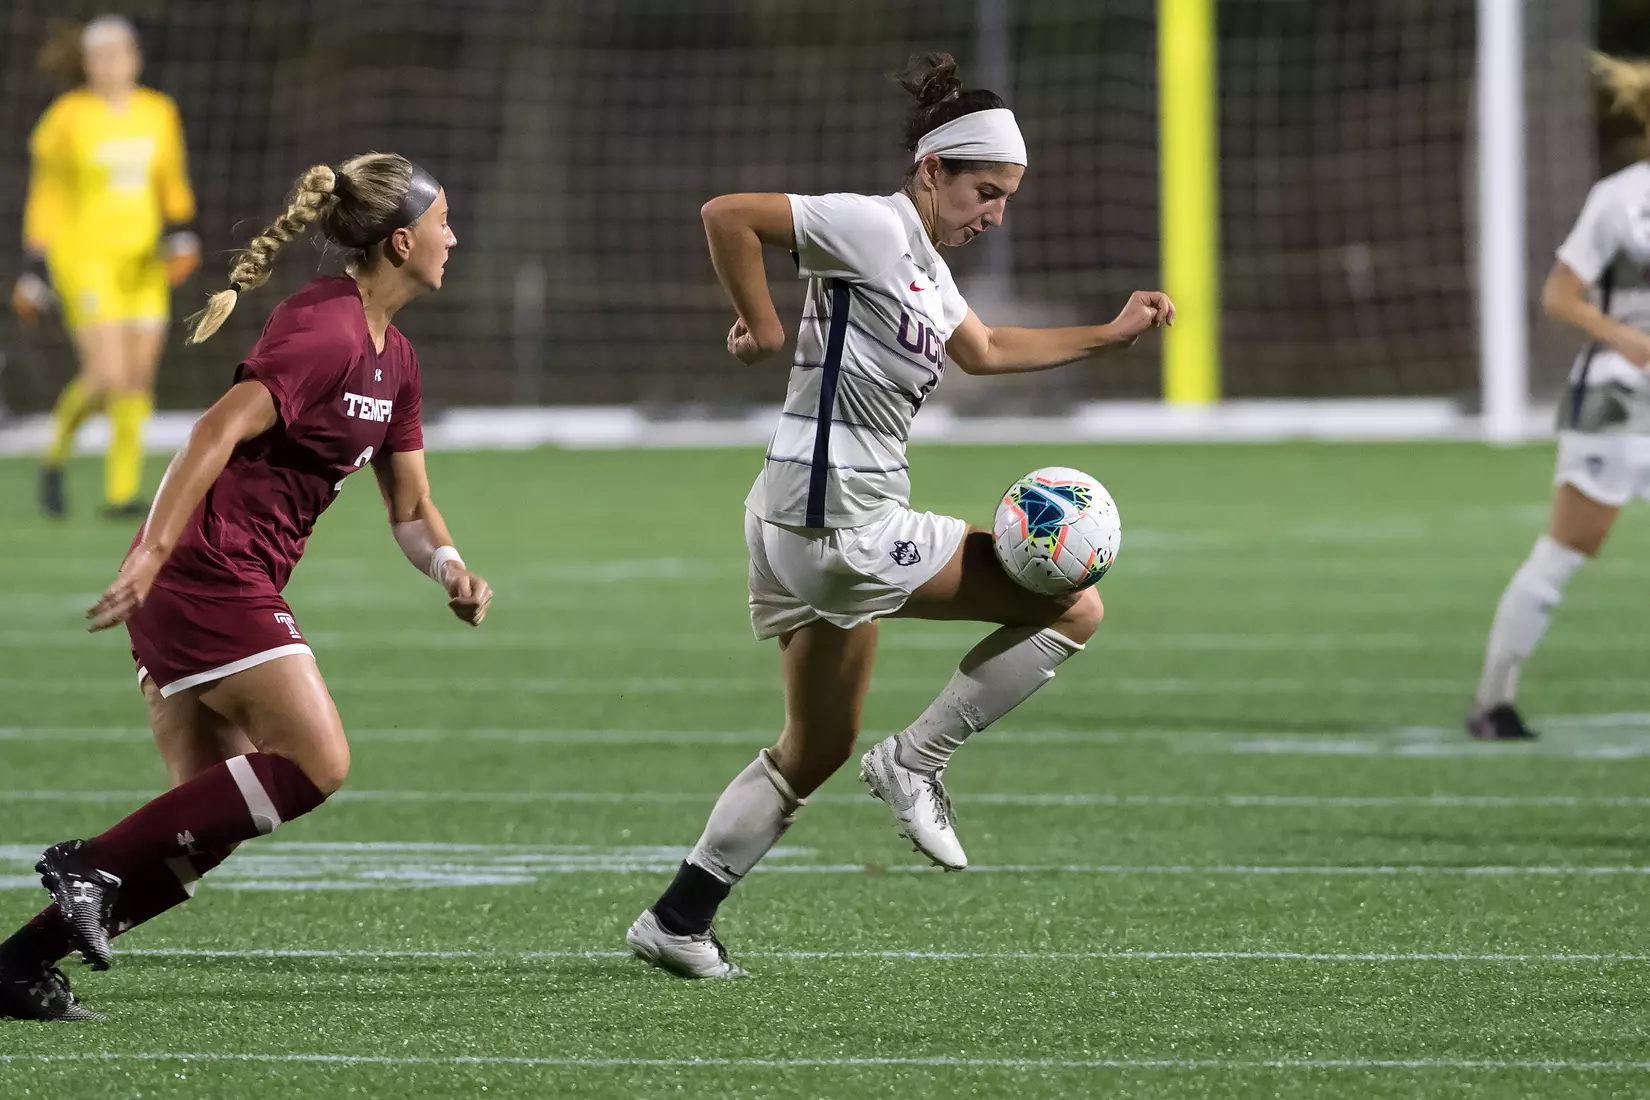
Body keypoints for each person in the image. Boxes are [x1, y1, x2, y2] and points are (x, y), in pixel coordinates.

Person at [625, 53, 1173, 979]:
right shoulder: (874, 226)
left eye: (1006, 197)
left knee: (818, 745)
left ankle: (679, 919)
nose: (995, 212)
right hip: (840, 524)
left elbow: (988, 349)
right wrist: (760, 327)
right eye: (985, 191)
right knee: (1074, 603)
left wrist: (1107, 334)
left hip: (798, 518)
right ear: (932, 171)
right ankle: (917, 761)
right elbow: (729, 215)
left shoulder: (921, 263)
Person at [0, 153, 492, 1021]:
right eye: (445, 220)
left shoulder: (397, 359)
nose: (455, 235)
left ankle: (16, 964)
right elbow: (213, 430)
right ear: (403, 239)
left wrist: (449, 567)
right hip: (205, 575)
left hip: (212, 579)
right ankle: (87, 863)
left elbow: (411, 506)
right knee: (317, 762)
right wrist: (150, 556)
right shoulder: (326, 329)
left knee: (204, 833)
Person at [1468, 53, 1650, 740]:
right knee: (1568, 551)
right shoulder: (1621, 197)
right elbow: (1559, 295)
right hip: (1616, 401)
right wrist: (1625, 340)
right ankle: (1492, 701)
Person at [12, 15, 200, 518]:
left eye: (119, 52)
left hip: (142, 260)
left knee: (138, 377)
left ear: (135, 58)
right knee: (106, 374)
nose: (110, 62)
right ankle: (53, 457)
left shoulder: (158, 112)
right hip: (83, 258)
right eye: (100, 54)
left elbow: (171, 179)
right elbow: (46, 193)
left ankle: (121, 493)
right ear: (88, 63)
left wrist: (182, 232)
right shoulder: (66, 118)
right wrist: (34, 264)